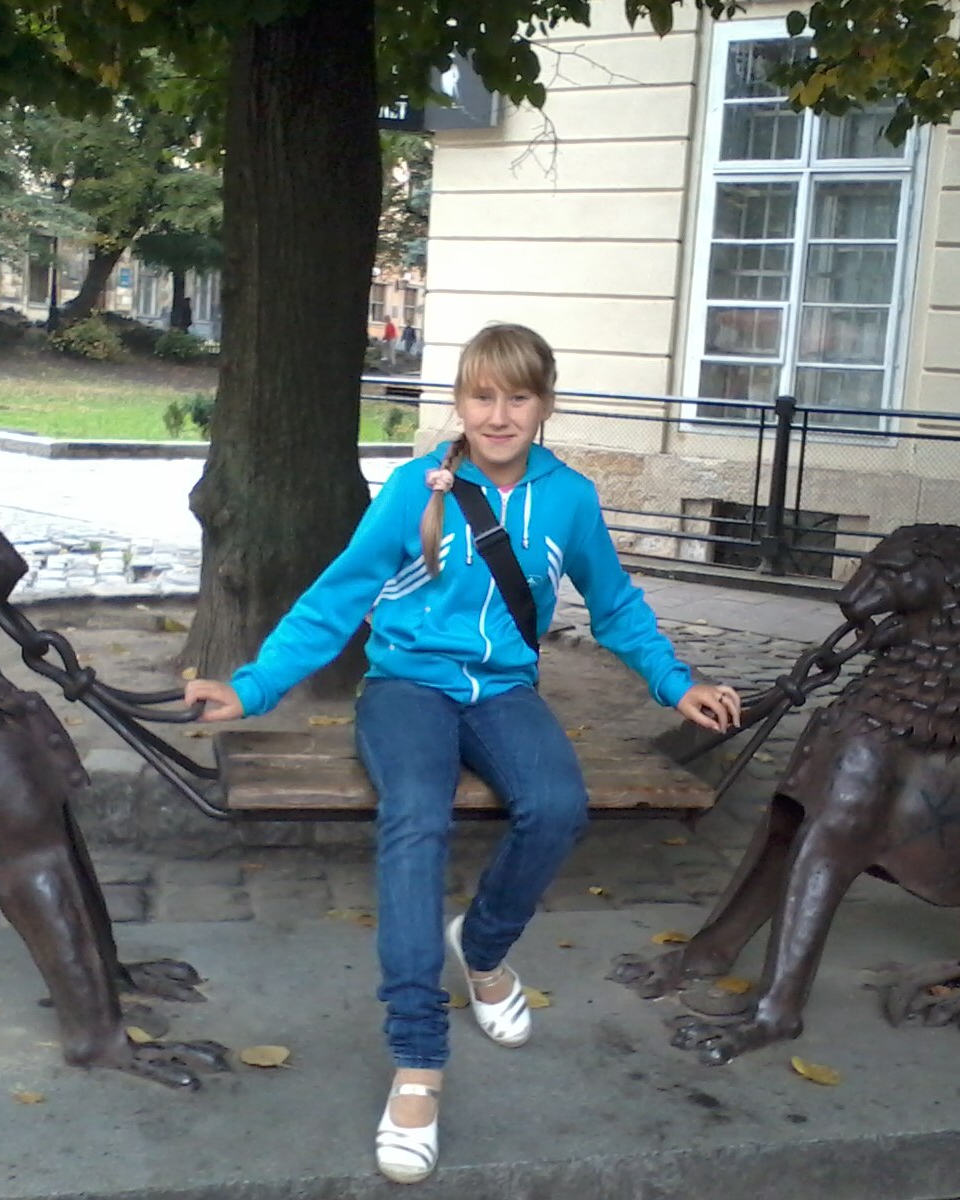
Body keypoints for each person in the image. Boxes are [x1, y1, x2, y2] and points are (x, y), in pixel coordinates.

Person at [185, 322, 741, 1185]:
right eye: (484, 396)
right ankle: (418, 1060)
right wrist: (252, 688)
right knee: (416, 818)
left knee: (556, 807)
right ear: (460, 402)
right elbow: (337, 599)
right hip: (405, 688)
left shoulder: (569, 498)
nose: (500, 414)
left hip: (505, 691)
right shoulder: (416, 488)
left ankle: (481, 948)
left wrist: (676, 683)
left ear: (545, 404)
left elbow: (615, 604)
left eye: (519, 396)